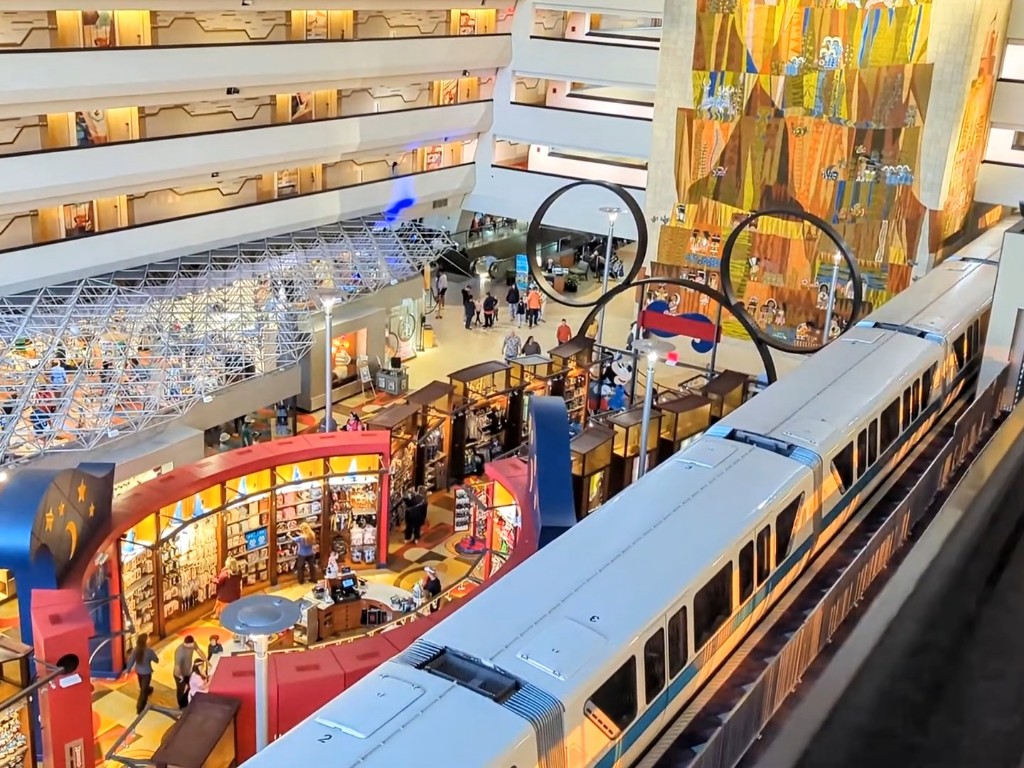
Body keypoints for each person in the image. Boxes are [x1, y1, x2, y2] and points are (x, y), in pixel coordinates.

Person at [126, 633, 158, 714]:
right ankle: (140, 708)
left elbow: (131, 661)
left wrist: (127, 671)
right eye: (148, 638)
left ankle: (148, 689)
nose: (149, 638)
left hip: (139, 671)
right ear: (145, 641)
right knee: (143, 691)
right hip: (146, 673)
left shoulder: (135, 650)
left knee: (142, 686)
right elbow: (156, 660)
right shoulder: (149, 651)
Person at [173, 636, 206, 709]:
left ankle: (187, 703)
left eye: (193, 644)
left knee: (188, 688)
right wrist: (182, 680)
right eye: (190, 645)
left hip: (188, 672)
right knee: (182, 690)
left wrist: (206, 660)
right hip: (179, 675)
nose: (192, 646)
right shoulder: (179, 651)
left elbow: (199, 651)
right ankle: (181, 706)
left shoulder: (193, 644)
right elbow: (177, 667)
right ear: (185, 643)